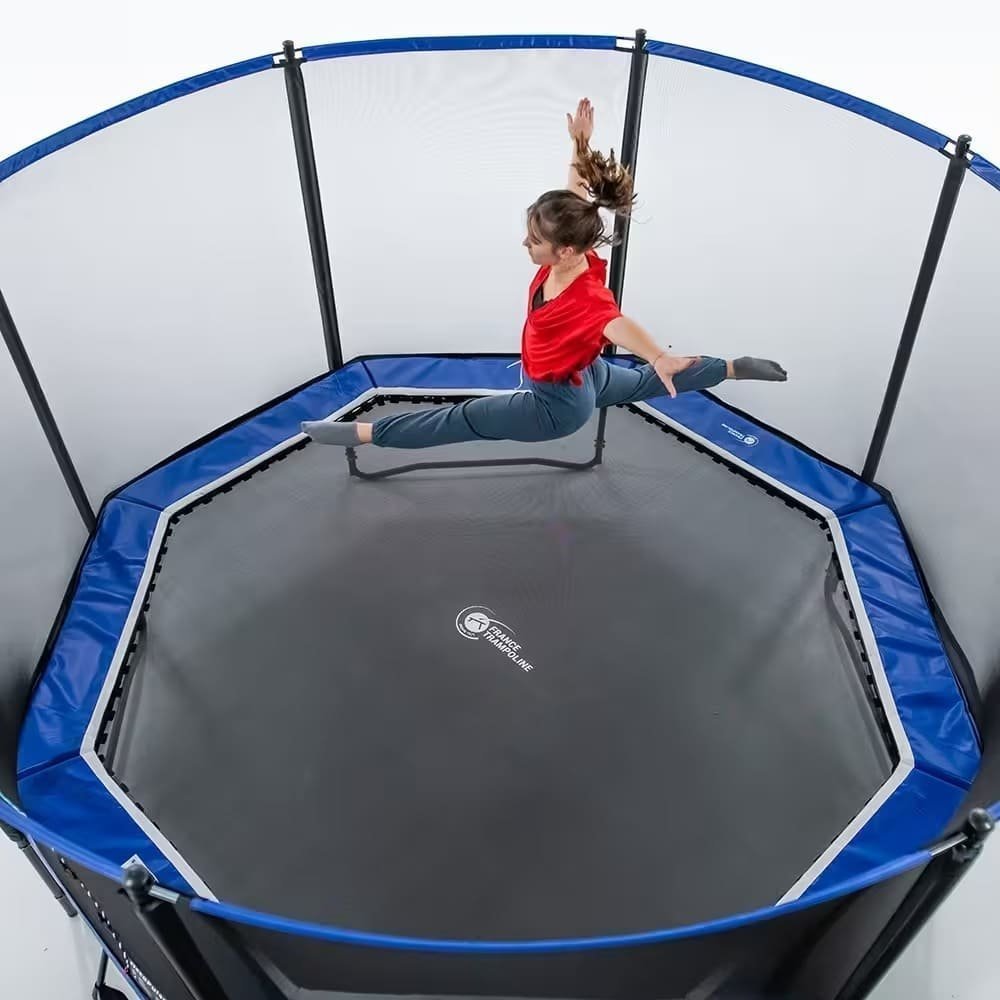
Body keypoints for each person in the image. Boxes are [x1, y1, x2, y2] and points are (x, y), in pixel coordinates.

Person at [302, 98, 785, 451]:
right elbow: (575, 190)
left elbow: (616, 324)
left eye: (534, 241)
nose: (525, 245)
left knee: (461, 419)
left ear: (565, 251)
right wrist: (579, 141)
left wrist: (659, 354)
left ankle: (364, 433)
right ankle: (731, 367)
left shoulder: (588, 297)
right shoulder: (578, 242)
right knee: (641, 383)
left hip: (555, 407)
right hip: (588, 375)